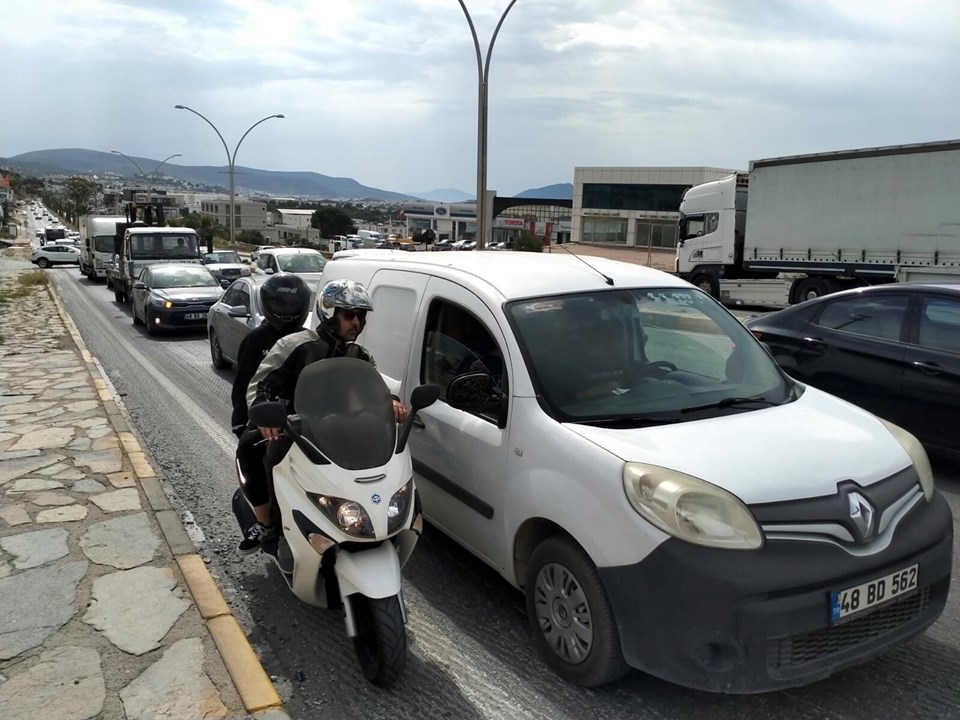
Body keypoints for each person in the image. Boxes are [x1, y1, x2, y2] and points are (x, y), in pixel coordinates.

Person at [244, 278, 408, 573]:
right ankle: (270, 524)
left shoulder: (359, 355)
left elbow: (375, 388)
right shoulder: (295, 345)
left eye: (361, 316)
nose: (356, 322)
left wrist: (391, 402)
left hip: (336, 431)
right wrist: (262, 412)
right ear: (329, 313)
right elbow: (260, 385)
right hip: (294, 428)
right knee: (252, 450)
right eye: (349, 315)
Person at [233, 274, 312, 555]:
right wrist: (243, 422)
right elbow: (244, 384)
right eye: (281, 302)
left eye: (293, 303)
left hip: (307, 421)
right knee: (247, 450)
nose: (288, 309)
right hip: (270, 421)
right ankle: (265, 522)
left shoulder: (309, 339)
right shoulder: (256, 341)